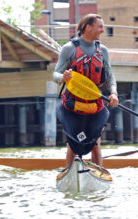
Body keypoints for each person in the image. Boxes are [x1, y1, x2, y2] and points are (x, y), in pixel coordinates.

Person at [52, 14, 118, 169]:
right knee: (72, 144)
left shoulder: (102, 50)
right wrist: (63, 76)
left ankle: (98, 171)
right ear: (88, 27)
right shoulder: (69, 49)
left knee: (95, 143)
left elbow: (110, 75)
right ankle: (69, 172)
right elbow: (55, 75)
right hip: (72, 105)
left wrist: (113, 93)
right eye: (100, 27)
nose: (102, 30)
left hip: (94, 105)